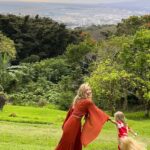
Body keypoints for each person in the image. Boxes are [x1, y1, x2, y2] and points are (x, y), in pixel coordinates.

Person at [55, 83, 110, 150]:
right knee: (67, 144)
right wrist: (107, 117)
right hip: (73, 124)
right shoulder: (86, 102)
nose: (89, 91)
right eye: (87, 90)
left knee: (76, 142)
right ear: (83, 91)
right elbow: (97, 111)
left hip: (75, 124)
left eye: (90, 89)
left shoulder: (78, 100)